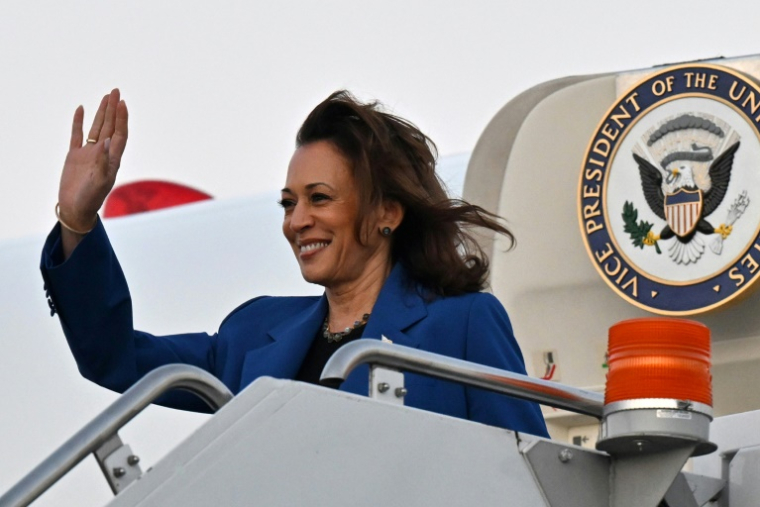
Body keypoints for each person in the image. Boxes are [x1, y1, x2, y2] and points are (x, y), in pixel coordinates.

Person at [41, 88, 549, 437]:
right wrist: (78, 221)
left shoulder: (462, 324)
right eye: (289, 203)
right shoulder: (253, 333)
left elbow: (527, 473)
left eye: (319, 198)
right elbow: (114, 358)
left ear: (386, 213)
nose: (297, 221)